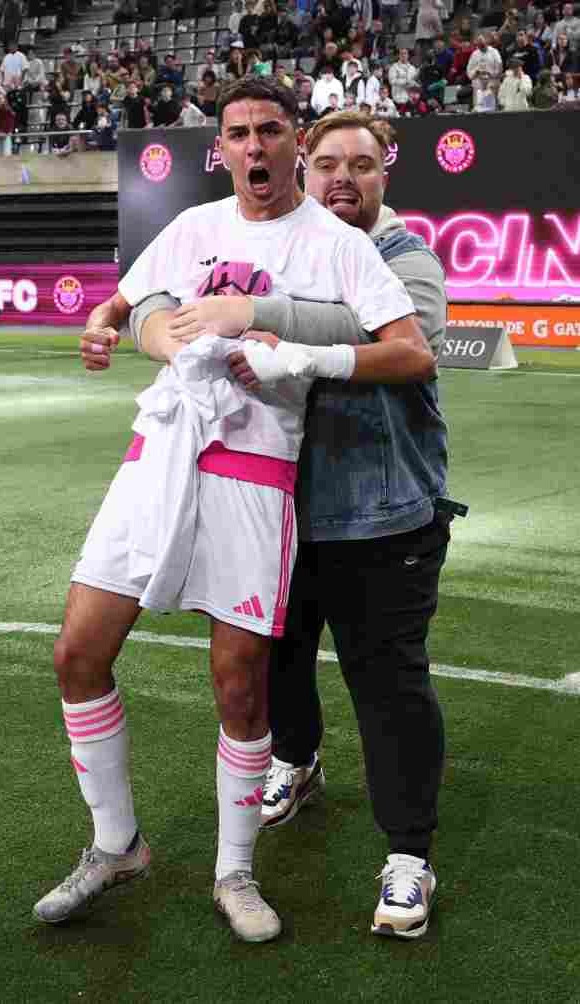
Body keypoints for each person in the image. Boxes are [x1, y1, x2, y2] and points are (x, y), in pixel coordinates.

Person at [37, 77, 419, 945]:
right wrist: (113, 330)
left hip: (254, 472)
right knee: (77, 652)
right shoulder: (193, 228)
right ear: (223, 148)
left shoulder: (337, 244)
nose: (254, 147)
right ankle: (115, 844)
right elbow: (123, 306)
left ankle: (234, 870)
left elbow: (413, 355)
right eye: (239, 133)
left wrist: (303, 360)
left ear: (295, 144)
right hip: (159, 456)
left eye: (271, 132)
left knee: (241, 681)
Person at [137, 109, 451, 941]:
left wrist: (260, 315)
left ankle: (409, 855)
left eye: (362, 164)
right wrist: (134, 321)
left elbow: (406, 340)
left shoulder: (400, 255)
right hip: (273, 506)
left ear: (387, 174)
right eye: (327, 163)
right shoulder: (264, 241)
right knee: (277, 665)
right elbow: (162, 300)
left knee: (386, 683)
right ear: (303, 169)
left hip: (380, 516)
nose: (343, 177)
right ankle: (298, 763)